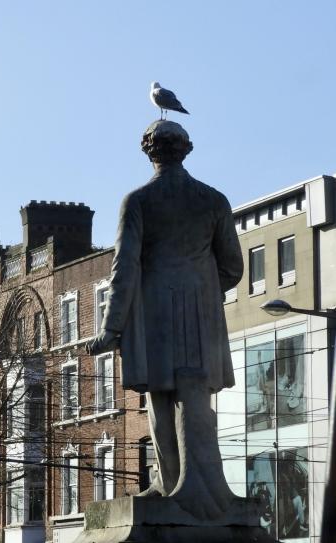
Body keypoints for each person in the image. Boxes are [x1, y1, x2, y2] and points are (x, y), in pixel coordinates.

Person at [86, 120, 243, 519]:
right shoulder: (214, 200)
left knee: (160, 400)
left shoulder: (138, 201)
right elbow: (233, 268)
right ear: (186, 150)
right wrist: (203, 290)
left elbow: (125, 270)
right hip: (202, 315)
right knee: (198, 401)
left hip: (155, 311)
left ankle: (171, 482)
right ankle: (192, 486)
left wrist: (112, 327)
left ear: (148, 152)